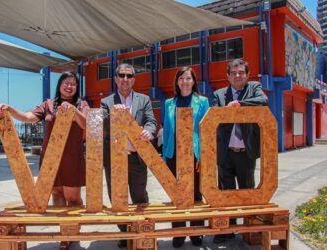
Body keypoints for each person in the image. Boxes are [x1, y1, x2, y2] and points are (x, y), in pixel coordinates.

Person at [0, 72, 89, 207]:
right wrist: (10, 109)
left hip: (72, 157)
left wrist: (73, 111)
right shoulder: (48, 105)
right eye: (66, 83)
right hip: (50, 158)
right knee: (56, 194)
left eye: (73, 84)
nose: (69, 86)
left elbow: (86, 124)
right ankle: (61, 228)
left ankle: (72, 228)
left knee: (73, 197)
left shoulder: (82, 104)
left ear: (77, 87)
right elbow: (28, 117)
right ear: (59, 85)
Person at [101, 63, 157, 248]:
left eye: (129, 76)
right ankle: (125, 233)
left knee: (139, 195)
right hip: (115, 159)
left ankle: (142, 230)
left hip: (136, 157)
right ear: (116, 78)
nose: (125, 79)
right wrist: (114, 114)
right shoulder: (106, 102)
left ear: (134, 79)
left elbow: (151, 121)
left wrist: (149, 131)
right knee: (117, 199)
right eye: (121, 75)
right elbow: (101, 126)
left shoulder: (144, 99)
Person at [212, 59, 268, 244]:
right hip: (225, 153)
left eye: (241, 72)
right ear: (228, 76)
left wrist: (239, 104)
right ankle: (226, 230)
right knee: (225, 193)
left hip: (246, 152)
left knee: (247, 192)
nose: (238, 75)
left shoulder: (254, 88)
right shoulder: (219, 94)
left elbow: (263, 100)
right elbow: (214, 116)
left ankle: (249, 230)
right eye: (234, 72)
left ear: (247, 74)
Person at [162, 67, 209, 248]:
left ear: (194, 81)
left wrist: (203, 155)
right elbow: (166, 130)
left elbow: (206, 130)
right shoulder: (168, 103)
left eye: (188, 78)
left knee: (196, 193)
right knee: (178, 195)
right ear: (177, 82)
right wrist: (166, 155)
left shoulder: (203, 102)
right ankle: (179, 233)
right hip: (174, 153)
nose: (185, 82)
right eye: (181, 78)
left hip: (195, 154)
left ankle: (196, 232)